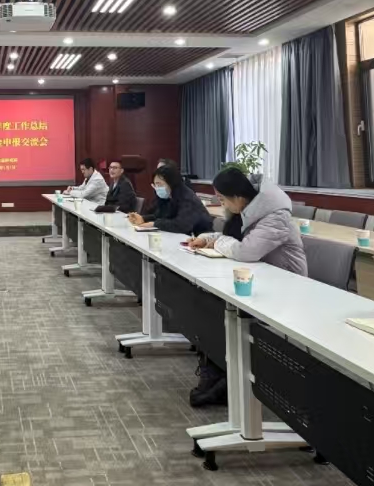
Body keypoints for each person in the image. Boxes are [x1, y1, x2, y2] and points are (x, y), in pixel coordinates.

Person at [183, 166, 308, 407]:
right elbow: (234, 239)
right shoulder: (247, 210)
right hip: (257, 281)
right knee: (207, 303)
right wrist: (208, 238)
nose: (221, 204)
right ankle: (218, 370)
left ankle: (224, 375)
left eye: (222, 199)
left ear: (238, 197)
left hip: (285, 287)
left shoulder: (276, 216)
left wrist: (218, 241)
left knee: (217, 310)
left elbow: (246, 251)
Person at [127, 164, 213, 235]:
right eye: (155, 185)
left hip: (201, 239)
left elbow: (181, 225)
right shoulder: (167, 196)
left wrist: (154, 224)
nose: (157, 188)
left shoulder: (187, 198)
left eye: (159, 184)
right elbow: (160, 216)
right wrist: (143, 218)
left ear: (171, 183)